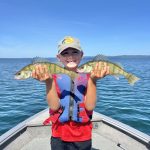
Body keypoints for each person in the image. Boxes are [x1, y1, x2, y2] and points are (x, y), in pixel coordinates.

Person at [32, 36, 110, 150]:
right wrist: (48, 82)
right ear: (58, 57)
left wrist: (93, 80)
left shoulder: (89, 75)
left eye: (75, 52)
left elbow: (90, 106)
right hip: (59, 134)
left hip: (83, 135)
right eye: (65, 53)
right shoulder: (52, 76)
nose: (70, 56)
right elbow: (54, 106)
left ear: (81, 55)